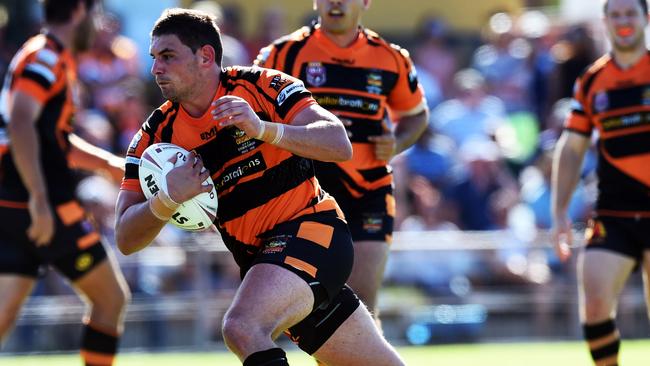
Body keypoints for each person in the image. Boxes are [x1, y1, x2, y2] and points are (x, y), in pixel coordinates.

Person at [115, 8, 404, 366]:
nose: (156, 68)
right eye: (154, 58)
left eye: (168, 56)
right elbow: (125, 238)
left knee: (241, 326)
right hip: (264, 262)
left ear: (206, 56)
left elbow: (337, 143)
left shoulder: (261, 85)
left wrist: (263, 129)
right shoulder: (153, 138)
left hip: (315, 233)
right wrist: (168, 197)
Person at [254, 0, 429, 322]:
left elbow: (416, 115)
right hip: (306, 194)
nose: (336, 2)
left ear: (365, 2)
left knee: (361, 306)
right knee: (310, 312)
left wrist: (397, 143)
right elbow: (255, 115)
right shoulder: (281, 54)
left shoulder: (391, 58)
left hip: (368, 190)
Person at [0, 0, 130, 364]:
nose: (99, 22)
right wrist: (40, 199)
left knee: (3, 314)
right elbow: (20, 122)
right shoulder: (45, 58)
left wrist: (107, 164)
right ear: (79, 10)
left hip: (17, 203)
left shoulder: (49, 54)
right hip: (47, 206)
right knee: (111, 299)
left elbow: (50, 137)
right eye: (96, 12)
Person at [551, 0, 650, 365]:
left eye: (631, 14)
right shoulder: (592, 80)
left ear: (646, 19)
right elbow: (572, 147)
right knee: (594, 306)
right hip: (614, 211)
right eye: (616, 15)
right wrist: (560, 213)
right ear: (605, 22)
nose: (624, 22)